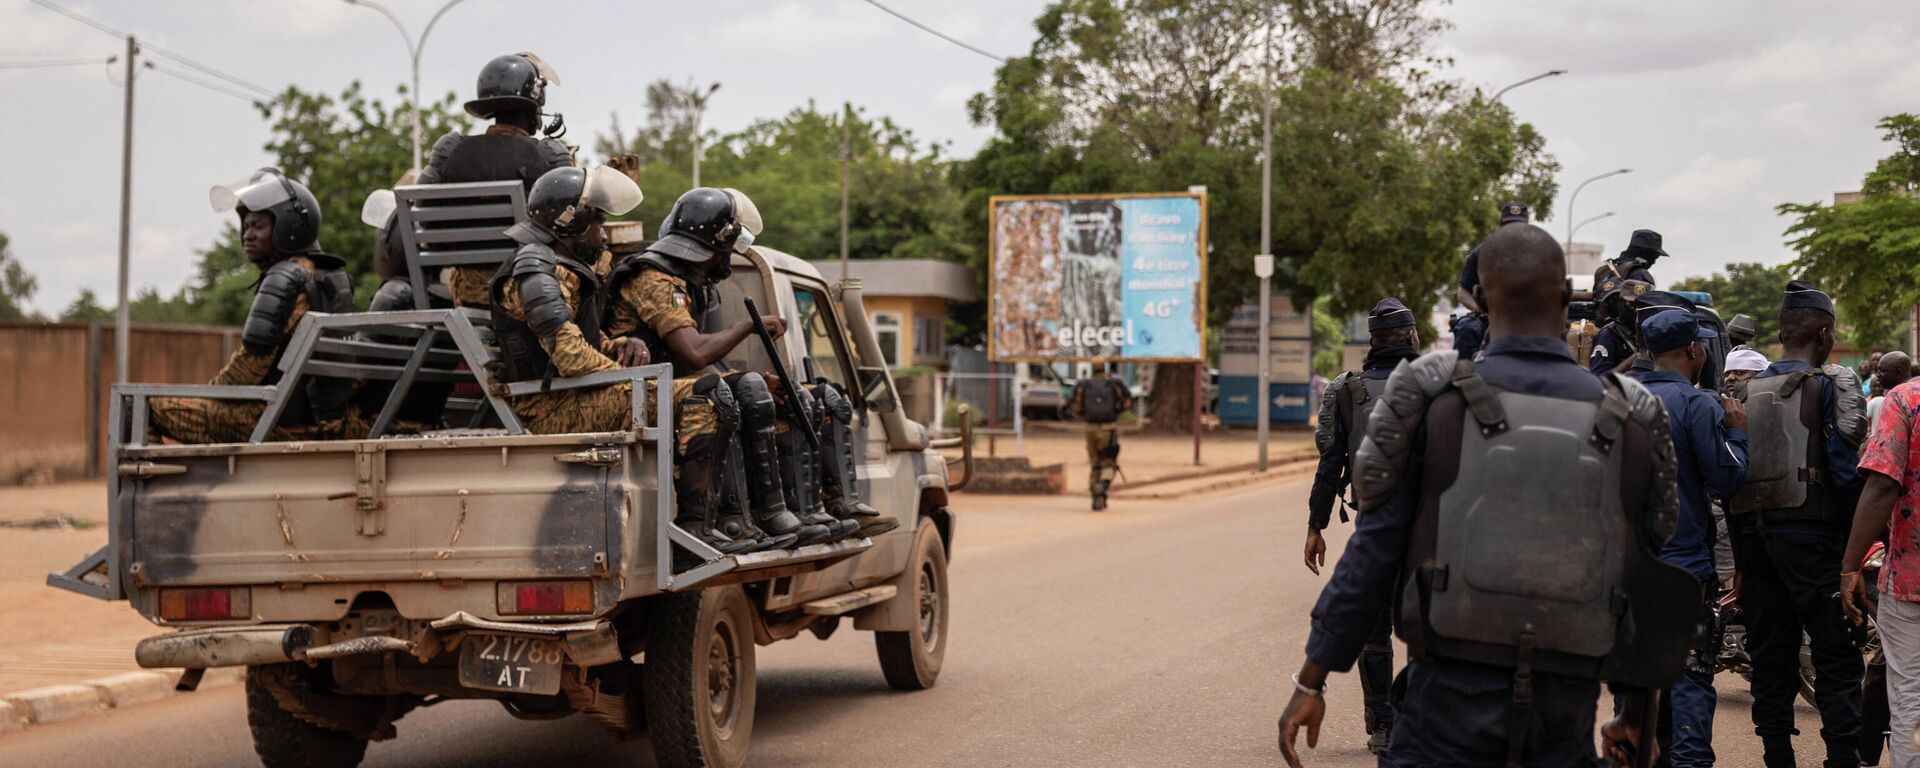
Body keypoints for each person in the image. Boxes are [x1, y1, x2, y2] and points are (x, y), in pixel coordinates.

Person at [1278, 224, 1693, 767]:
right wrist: (1637, 715)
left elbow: (1374, 551)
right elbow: (1648, 577)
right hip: (1563, 718)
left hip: (1439, 716)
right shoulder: (1633, 415)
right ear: (1567, 298)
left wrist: (1312, 680)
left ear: (1478, 299)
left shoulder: (1430, 402)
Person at [603, 186, 871, 552]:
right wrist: (749, 326)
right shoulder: (654, 279)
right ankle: (730, 520)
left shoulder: (690, 282)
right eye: (728, 248)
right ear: (713, 245)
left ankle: (795, 511)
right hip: (635, 392)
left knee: (786, 394)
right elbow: (695, 352)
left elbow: (695, 362)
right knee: (737, 392)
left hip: (668, 385)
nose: (730, 257)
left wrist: (760, 379)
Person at [1727, 279, 1869, 768]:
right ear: (1825, 335)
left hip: (1754, 544)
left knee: (1771, 659)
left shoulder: (1741, 391)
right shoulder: (1832, 385)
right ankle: (1842, 759)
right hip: (1816, 543)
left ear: (1782, 335)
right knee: (1837, 655)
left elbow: (1730, 482)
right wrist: (1856, 553)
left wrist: (1741, 559)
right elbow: (1846, 476)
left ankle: (1777, 757)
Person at [148, 169, 355, 444]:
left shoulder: (285, 277)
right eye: (245, 227)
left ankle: (149, 475)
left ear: (288, 226)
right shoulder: (329, 276)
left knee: (143, 408)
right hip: (325, 420)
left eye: (258, 226)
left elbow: (248, 370)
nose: (248, 235)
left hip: (279, 421)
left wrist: (208, 394)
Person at [1304, 297, 1419, 754]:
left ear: (1371, 341)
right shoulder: (1442, 387)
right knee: (1434, 630)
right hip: (1434, 531)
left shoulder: (1348, 392)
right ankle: (1423, 722)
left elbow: (1330, 464)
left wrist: (1315, 525)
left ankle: (1382, 726)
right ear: (1412, 337)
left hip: (1373, 529)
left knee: (1375, 633)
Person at [1637, 309, 1751, 767]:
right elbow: (1728, 479)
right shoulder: (1697, 404)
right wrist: (1738, 434)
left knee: (1636, 680)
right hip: (1683, 566)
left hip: (1628, 566)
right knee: (1688, 677)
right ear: (1694, 349)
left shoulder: (1617, 399)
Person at [488, 164, 650, 436]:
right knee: (700, 400)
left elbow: (581, 341)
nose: (604, 236)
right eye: (599, 222)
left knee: (706, 392)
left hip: (575, 397)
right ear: (574, 222)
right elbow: (571, 357)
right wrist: (630, 378)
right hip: (552, 408)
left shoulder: (559, 270)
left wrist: (623, 346)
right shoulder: (535, 271)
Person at [419, 52, 576, 307]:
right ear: (534, 105)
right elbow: (571, 228)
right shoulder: (547, 154)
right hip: (524, 291)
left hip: (466, 292)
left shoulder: (449, 150)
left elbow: (424, 213)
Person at [1842, 374, 1920, 768]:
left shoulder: (1907, 400)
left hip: (1911, 582)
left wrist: (1850, 566)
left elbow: (1882, 486)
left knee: (1911, 701)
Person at [1452, 201, 1529, 360]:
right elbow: (1463, 292)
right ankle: (1463, 372)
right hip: (1488, 317)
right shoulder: (1481, 253)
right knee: (1467, 328)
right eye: (1509, 225)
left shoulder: (1539, 254)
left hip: (1529, 318)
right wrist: (1480, 311)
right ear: (1501, 226)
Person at [1069, 363, 1134, 510]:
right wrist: (1116, 412)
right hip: (1108, 429)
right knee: (1108, 463)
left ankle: (1095, 497)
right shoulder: (1114, 384)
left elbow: (1076, 408)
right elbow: (1126, 403)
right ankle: (1103, 486)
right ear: (1104, 368)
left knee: (1095, 465)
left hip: (1089, 429)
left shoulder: (1083, 385)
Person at [1589, 279, 1652, 375]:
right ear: (1620, 303)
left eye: (1640, 305)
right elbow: (1599, 378)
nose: (1634, 309)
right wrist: (1628, 363)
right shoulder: (1609, 335)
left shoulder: (1653, 332)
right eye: (1630, 303)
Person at [1871, 352, 1913, 439]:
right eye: (1878, 370)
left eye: (1883, 370)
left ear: (1898, 373)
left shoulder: (1896, 397)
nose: (1878, 374)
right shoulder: (1912, 392)